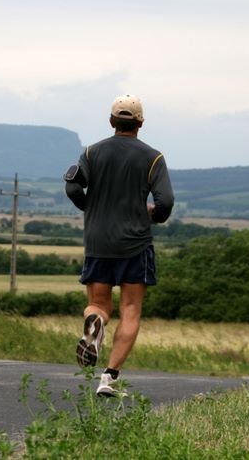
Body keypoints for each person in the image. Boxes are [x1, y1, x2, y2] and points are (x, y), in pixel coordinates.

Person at [64, 94, 174, 397]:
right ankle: (109, 378)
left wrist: (91, 207)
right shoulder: (153, 158)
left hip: (98, 241)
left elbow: (72, 185)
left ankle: (95, 324)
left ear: (112, 122)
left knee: (99, 305)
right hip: (135, 245)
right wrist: (153, 215)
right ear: (140, 123)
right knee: (130, 309)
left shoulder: (91, 153)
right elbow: (165, 201)